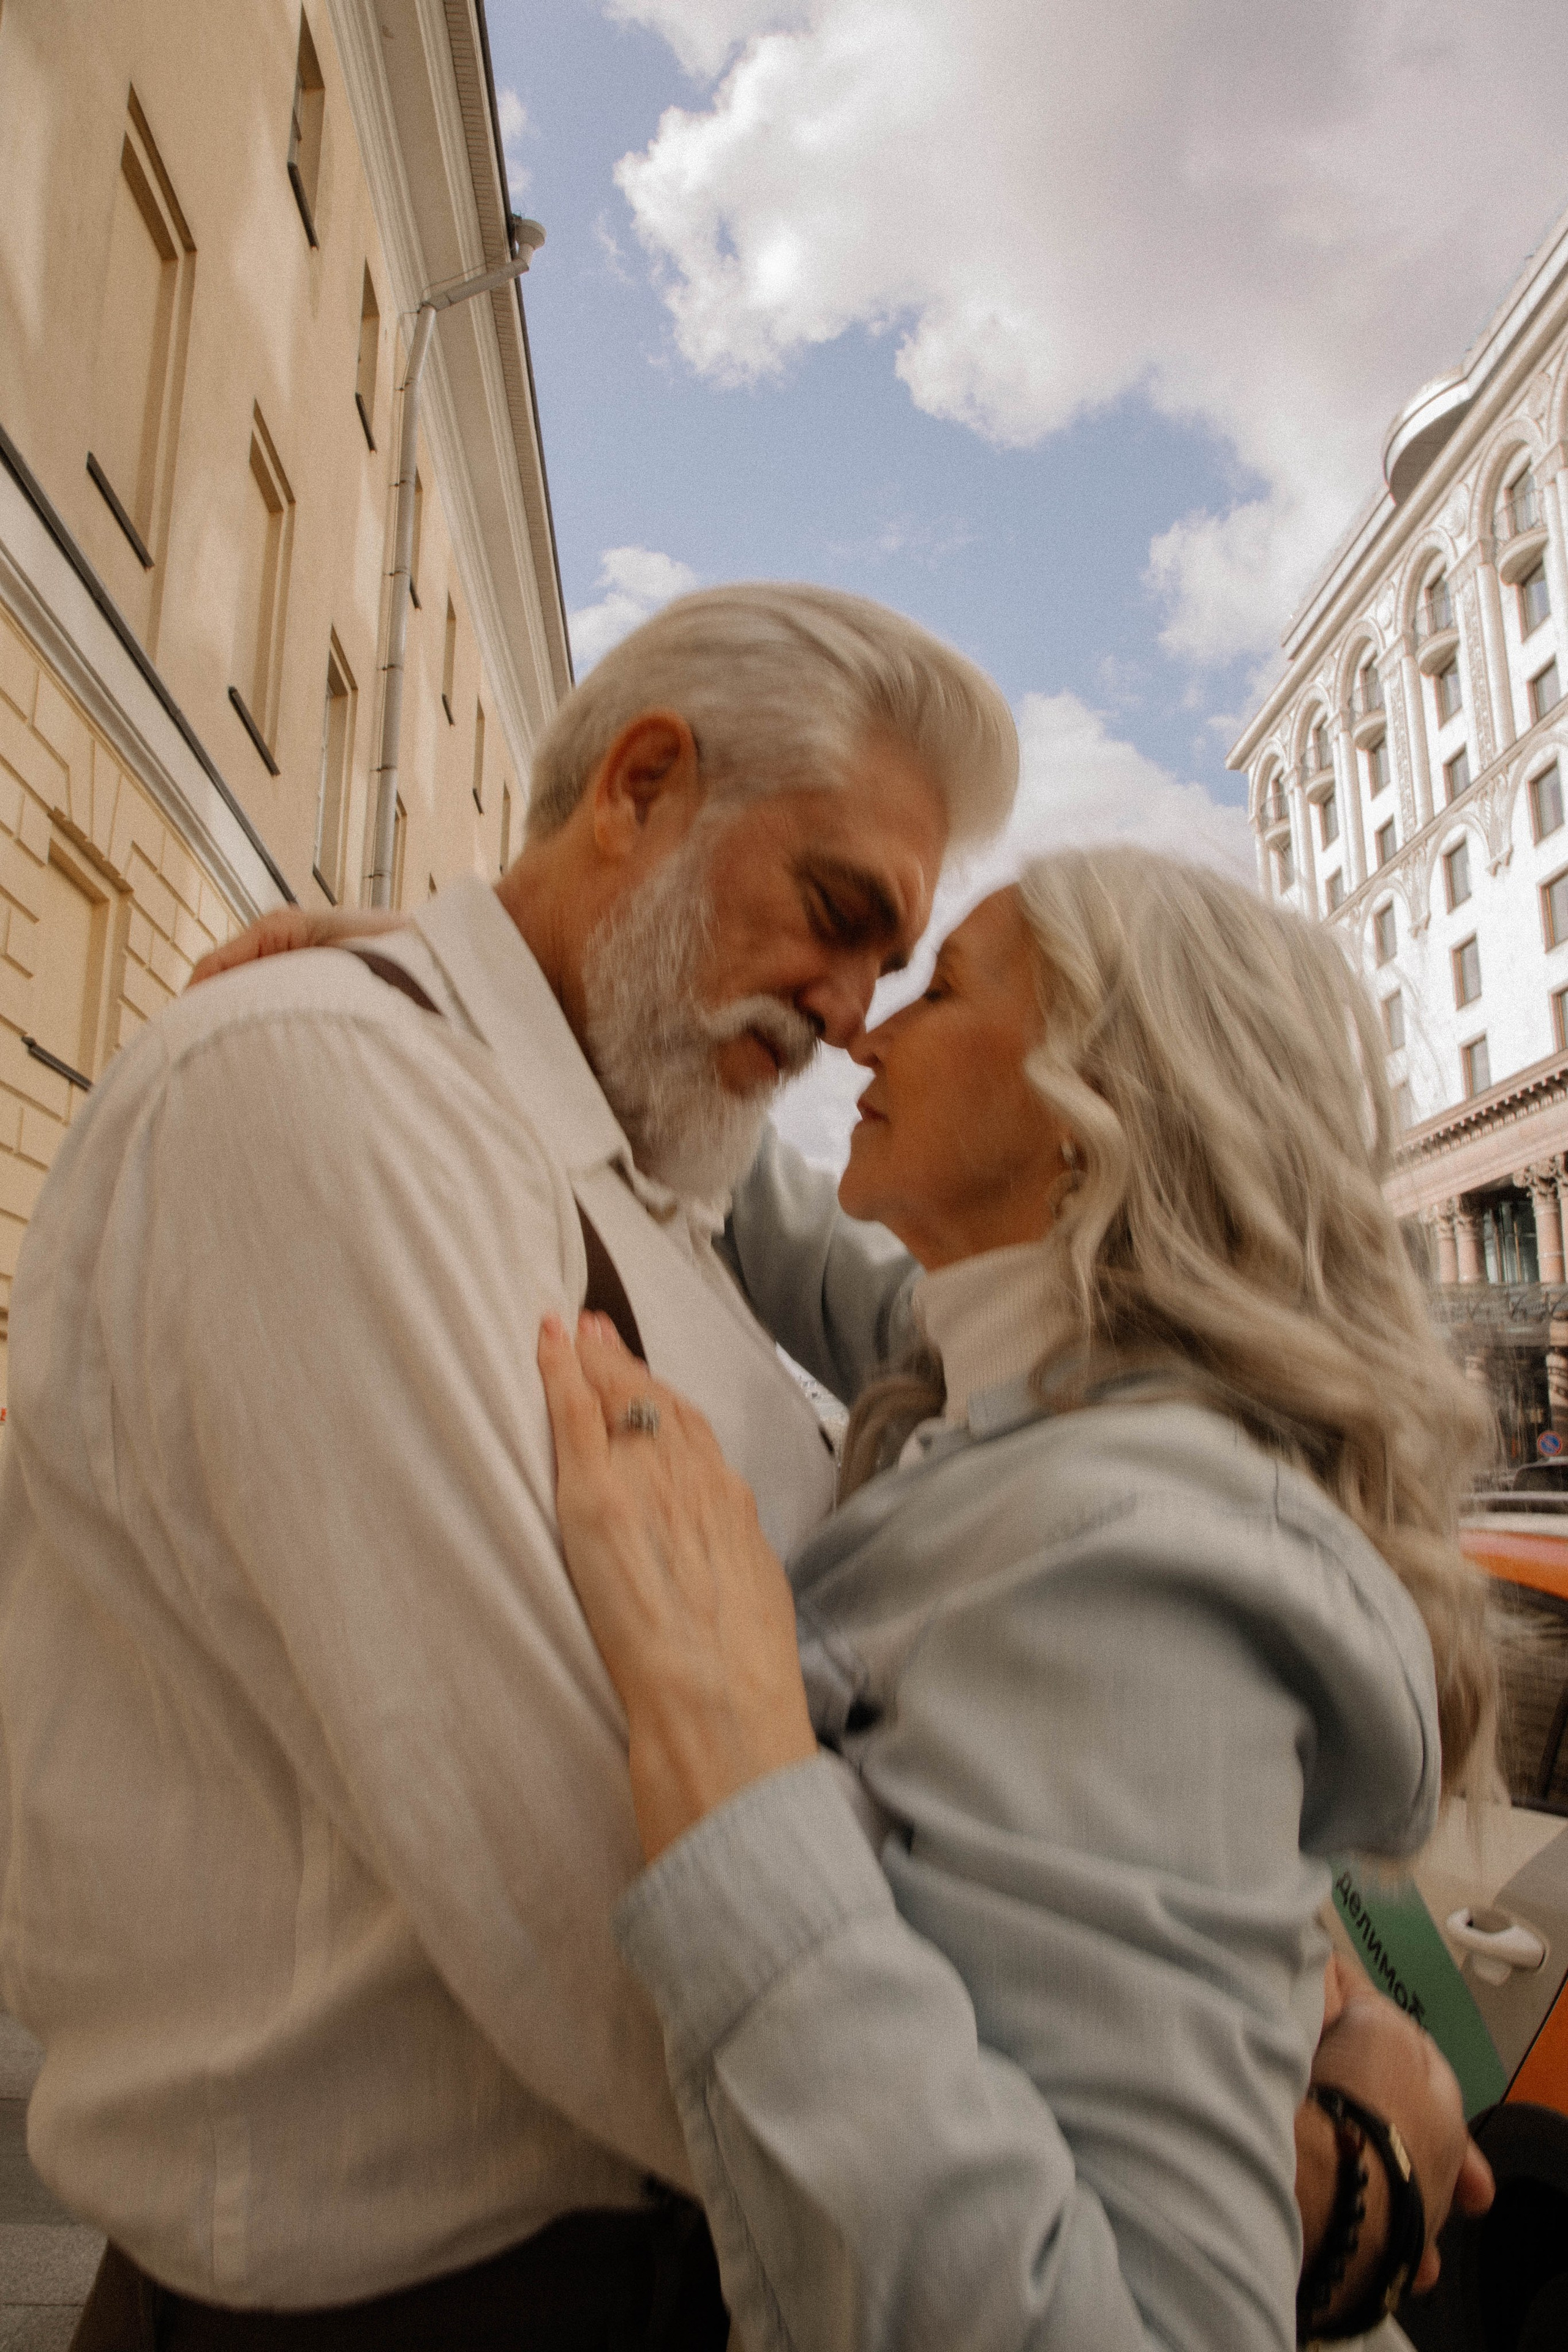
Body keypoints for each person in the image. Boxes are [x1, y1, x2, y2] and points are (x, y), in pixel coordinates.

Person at [0, 586, 1014, 2344]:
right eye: (840, 917)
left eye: (894, 970)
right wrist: (1126, 2148)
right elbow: (605, 1924)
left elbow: (1000, 1346)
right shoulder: (323, 1089)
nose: (855, 1014)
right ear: (638, 786)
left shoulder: (633, 1174)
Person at [534, 850, 1500, 2352]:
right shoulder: (1038, 1392)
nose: (863, 1031)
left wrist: (734, 1773)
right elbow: (781, 1228)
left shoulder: (1125, 1552)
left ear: (1086, 1113)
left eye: (943, 990)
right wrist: (505, 997)